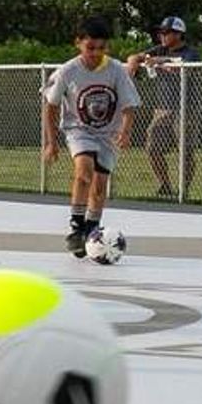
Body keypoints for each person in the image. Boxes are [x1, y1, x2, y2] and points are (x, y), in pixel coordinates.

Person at [43, 15, 139, 256]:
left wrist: (125, 132)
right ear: (78, 43)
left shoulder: (116, 70)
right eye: (90, 47)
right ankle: (76, 226)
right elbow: (51, 107)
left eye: (101, 48)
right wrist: (51, 142)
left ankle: (91, 229)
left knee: (99, 186)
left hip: (108, 134)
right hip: (79, 129)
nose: (95, 53)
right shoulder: (68, 71)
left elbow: (129, 107)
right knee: (84, 170)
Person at [125, 15, 197, 198]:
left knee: (186, 151)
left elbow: (184, 65)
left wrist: (160, 61)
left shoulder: (190, 52)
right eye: (161, 32)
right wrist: (134, 60)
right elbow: (137, 55)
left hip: (185, 109)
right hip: (162, 109)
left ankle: (183, 191)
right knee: (152, 147)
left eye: (167, 32)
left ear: (179, 34)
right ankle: (165, 186)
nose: (162, 36)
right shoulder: (160, 49)